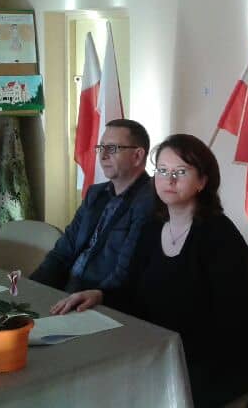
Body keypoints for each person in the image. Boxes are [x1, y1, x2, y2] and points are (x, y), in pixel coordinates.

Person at [51, 134, 248, 407]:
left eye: (181, 172)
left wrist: (156, 349)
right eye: (162, 171)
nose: (169, 180)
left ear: (202, 181)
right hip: (164, 344)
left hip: (223, 356)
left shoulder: (220, 236)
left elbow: (228, 318)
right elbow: (133, 291)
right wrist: (100, 295)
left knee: (140, 392)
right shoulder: (152, 228)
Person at [30, 119, 155, 293]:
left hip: (98, 297)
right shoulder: (95, 194)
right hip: (64, 288)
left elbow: (126, 274)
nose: (102, 156)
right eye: (100, 147)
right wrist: (32, 287)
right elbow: (63, 251)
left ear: (137, 156)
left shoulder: (150, 201)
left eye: (112, 148)